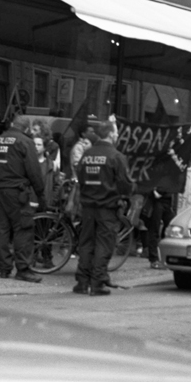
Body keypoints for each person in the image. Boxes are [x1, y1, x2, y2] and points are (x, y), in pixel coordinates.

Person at [74, 119, 136, 295]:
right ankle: (97, 282)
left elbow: (80, 177)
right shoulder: (116, 156)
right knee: (104, 244)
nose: (117, 135)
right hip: (107, 207)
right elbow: (125, 184)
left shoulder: (87, 155)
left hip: (87, 207)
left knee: (86, 243)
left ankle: (81, 282)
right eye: (116, 132)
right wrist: (133, 188)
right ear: (110, 134)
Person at [0, 114, 47, 283]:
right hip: (17, 192)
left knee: (2, 230)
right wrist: (41, 194)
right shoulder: (24, 142)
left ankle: (4, 268)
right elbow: (34, 171)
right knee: (23, 229)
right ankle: (23, 269)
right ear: (26, 128)